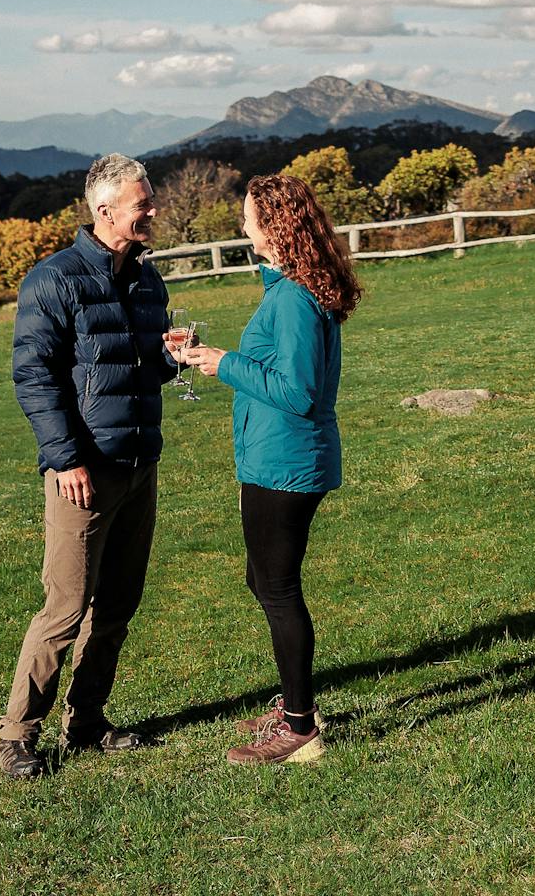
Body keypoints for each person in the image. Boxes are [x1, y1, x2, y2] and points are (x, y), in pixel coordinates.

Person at [0, 153, 179, 780]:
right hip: (83, 473)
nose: (152, 211)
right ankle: (16, 738)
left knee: (118, 604)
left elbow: (138, 368)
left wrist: (170, 359)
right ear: (105, 211)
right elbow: (33, 376)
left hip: (138, 465)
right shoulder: (54, 279)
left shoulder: (149, 281)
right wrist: (66, 457)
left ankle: (87, 721)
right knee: (66, 608)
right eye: (141, 204)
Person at [176, 172, 361, 766]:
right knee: (264, 581)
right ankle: (295, 705)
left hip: (285, 464)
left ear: (275, 225)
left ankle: (301, 728)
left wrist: (221, 361)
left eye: (250, 215)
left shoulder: (293, 299)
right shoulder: (287, 288)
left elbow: (299, 391)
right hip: (274, 457)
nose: (242, 224)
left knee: (277, 589)